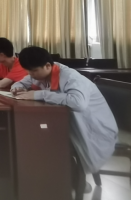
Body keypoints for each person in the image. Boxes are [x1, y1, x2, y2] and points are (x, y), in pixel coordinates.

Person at [11, 46, 118, 175]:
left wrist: (40, 94)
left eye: (33, 71)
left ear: (47, 66)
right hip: (69, 123)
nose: (30, 75)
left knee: (47, 142)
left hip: (95, 129)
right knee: (38, 136)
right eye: (28, 71)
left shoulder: (71, 77)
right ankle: (50, 176)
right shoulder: (39, 72)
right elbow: (21, 83)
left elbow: (78, 103)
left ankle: (71, 180)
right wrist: (17, 88)